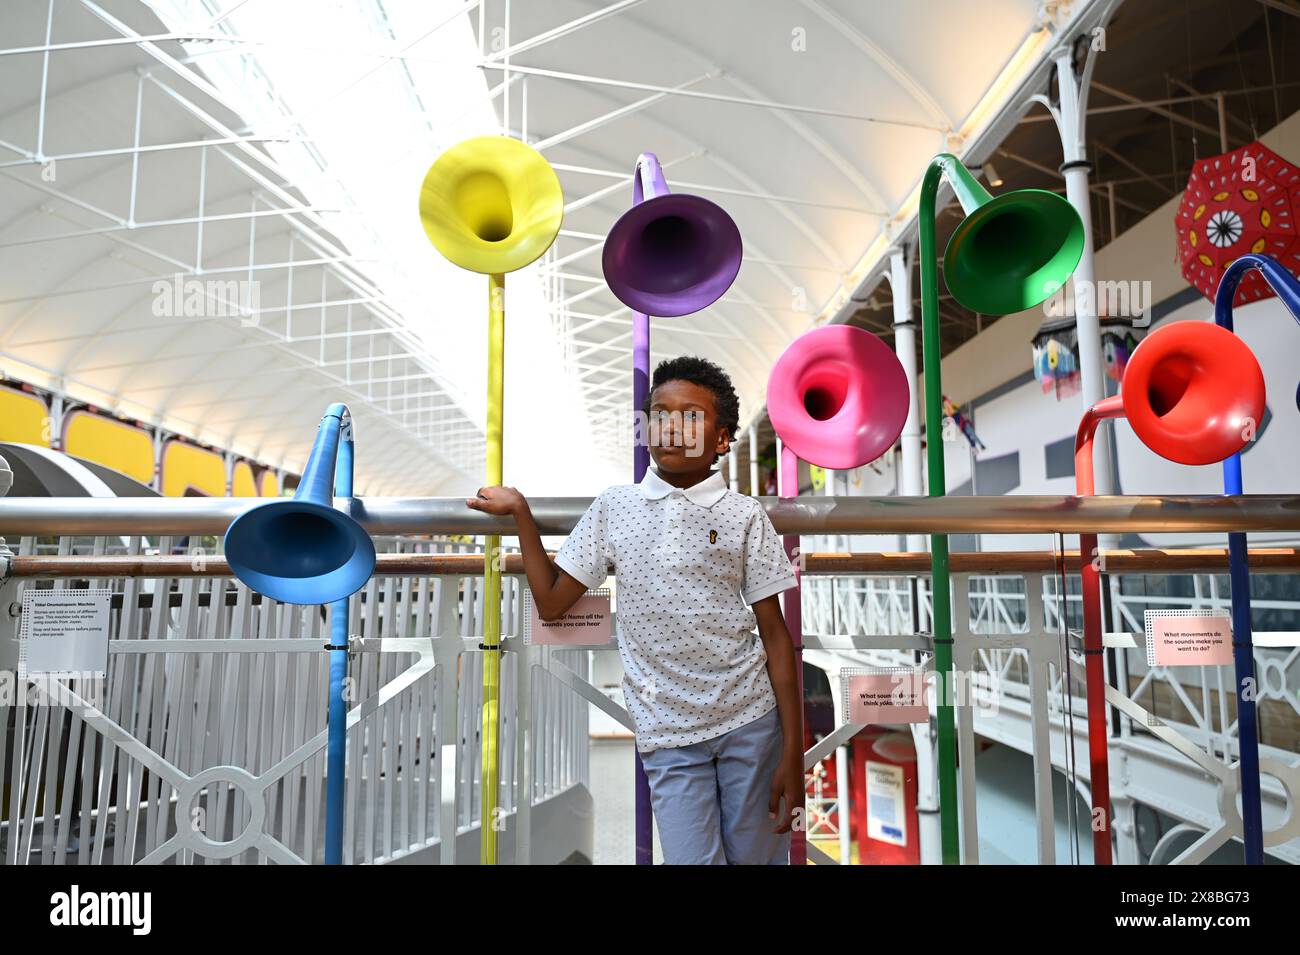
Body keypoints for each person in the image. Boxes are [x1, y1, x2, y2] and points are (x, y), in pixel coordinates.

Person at [467, 355, 803, 864]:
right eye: (660, 414)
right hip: (667, 734)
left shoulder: (743, 515)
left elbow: (775, 636)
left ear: (720, 438)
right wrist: (521, 514)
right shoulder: (615, 506)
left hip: (750, 722)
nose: (671, 426)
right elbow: (555, 603)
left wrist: (793, 753)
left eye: (691, 415)